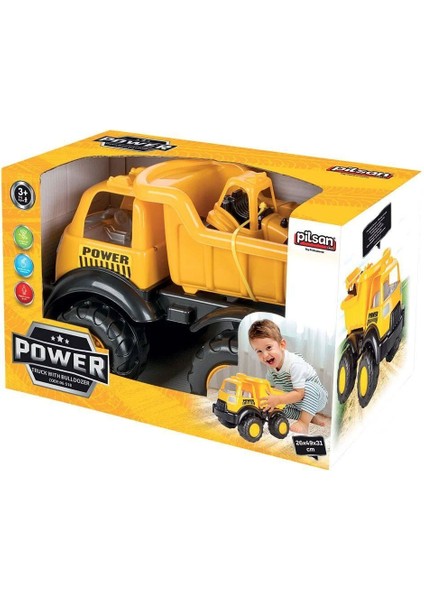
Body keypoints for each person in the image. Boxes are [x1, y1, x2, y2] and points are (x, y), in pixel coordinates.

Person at [248, 319, 327, 434]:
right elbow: (267, 389)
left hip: (316, 396)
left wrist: (279, 399)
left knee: (308, 387)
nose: (265, 355)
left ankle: (304, 423)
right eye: (259, 351)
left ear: (282, 345)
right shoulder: (271, 369)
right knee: (278, 409)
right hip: (295, 399)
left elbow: (300, 393)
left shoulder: (294, 364)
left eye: (269, 348)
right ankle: (310, 417)